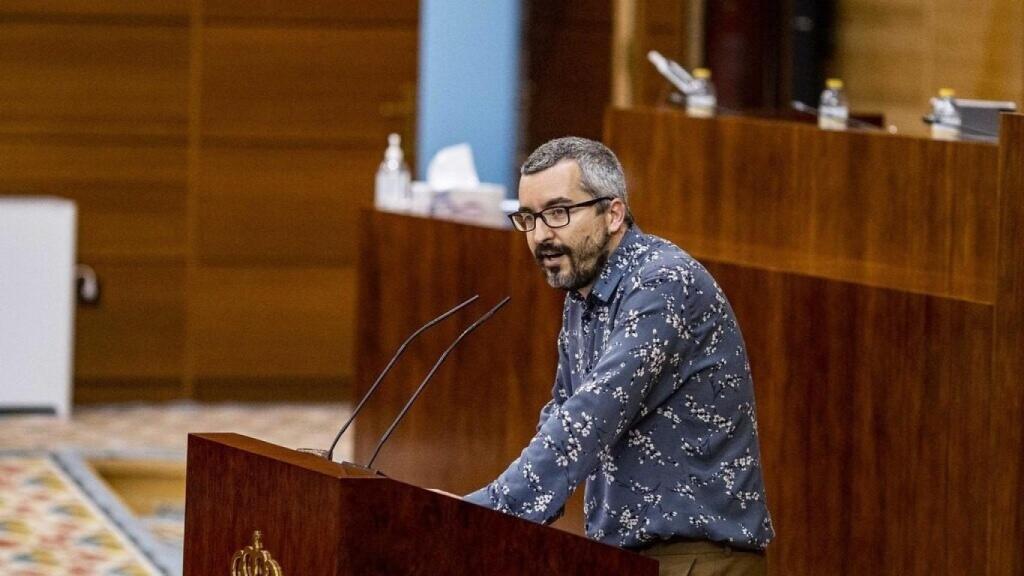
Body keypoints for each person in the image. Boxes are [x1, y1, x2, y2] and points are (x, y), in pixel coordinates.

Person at [463, 137, 774, 575]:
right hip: (627, 556)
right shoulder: (585, 294)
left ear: (612, 213)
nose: (540, 236)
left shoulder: (662, 283)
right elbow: (563, 412)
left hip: (696, 558)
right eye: (528, 218)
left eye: (557, 213)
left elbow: (592, 415)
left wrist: (486, 512)